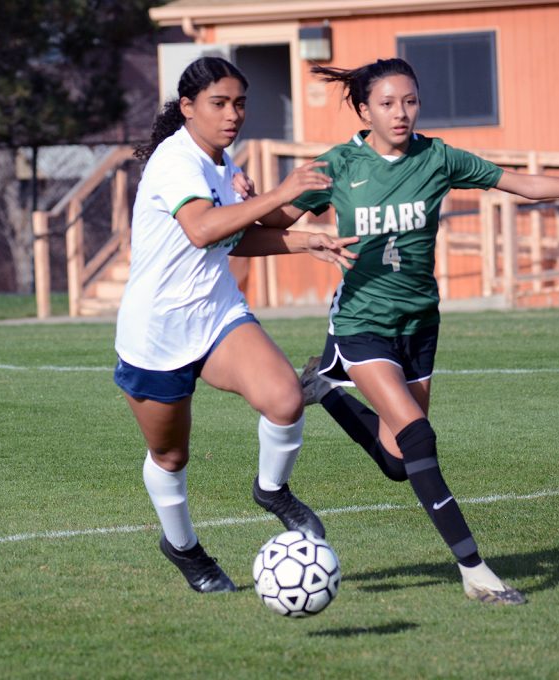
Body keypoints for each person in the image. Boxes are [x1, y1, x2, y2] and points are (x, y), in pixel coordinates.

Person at [244, 58, 559, 605]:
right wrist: (260, 202)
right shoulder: (336, 166)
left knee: (400, 463)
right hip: (360, 325)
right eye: (386, 103)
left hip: (420, 325)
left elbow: (521, 182)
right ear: (362, 109)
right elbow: (261, 231)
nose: (400, 112)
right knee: (419, 438)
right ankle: (474, 571)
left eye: (409, 101)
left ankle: (324, 388)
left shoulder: (438, 156)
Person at [115, 56, 358, 594]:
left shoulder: (223, 162)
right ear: (187, 108)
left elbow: (237, 236)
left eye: (240, 103)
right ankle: (183, 547)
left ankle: (272, 490)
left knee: (285, 399)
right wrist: (282, 191)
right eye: (219, 104)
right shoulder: (175, 161)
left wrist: (303, 239)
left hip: (218, 313)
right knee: (171, 456)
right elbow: (203, 229)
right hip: (157, 334)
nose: (233, 114)